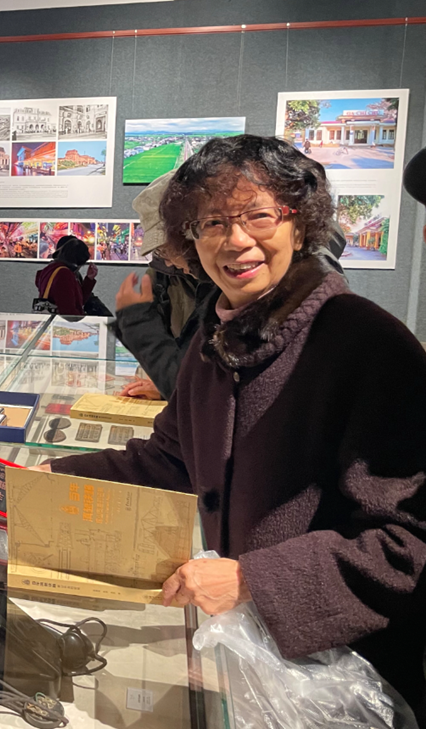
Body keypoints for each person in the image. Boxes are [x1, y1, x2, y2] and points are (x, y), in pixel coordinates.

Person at [35, 135, 426, 721]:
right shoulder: (216, 339)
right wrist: (51, 476)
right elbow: (170, 457)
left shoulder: (370, 346)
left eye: (258, 216)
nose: (236, 240)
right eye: (212, 223)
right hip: (260, 663)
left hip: (350, 682)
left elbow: (406, 545)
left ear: (300, 222)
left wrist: (251, 581)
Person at [114, 172, 218, 401]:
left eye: (166, 248)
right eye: (160, 251)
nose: (168, 260)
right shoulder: (162, 273)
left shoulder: (227, 283)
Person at [33, 235, 99, 316]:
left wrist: (89, 279)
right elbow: (68, 311)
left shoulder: (50, 269)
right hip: (61, 322)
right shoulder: (64, 274)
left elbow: (77, 300)